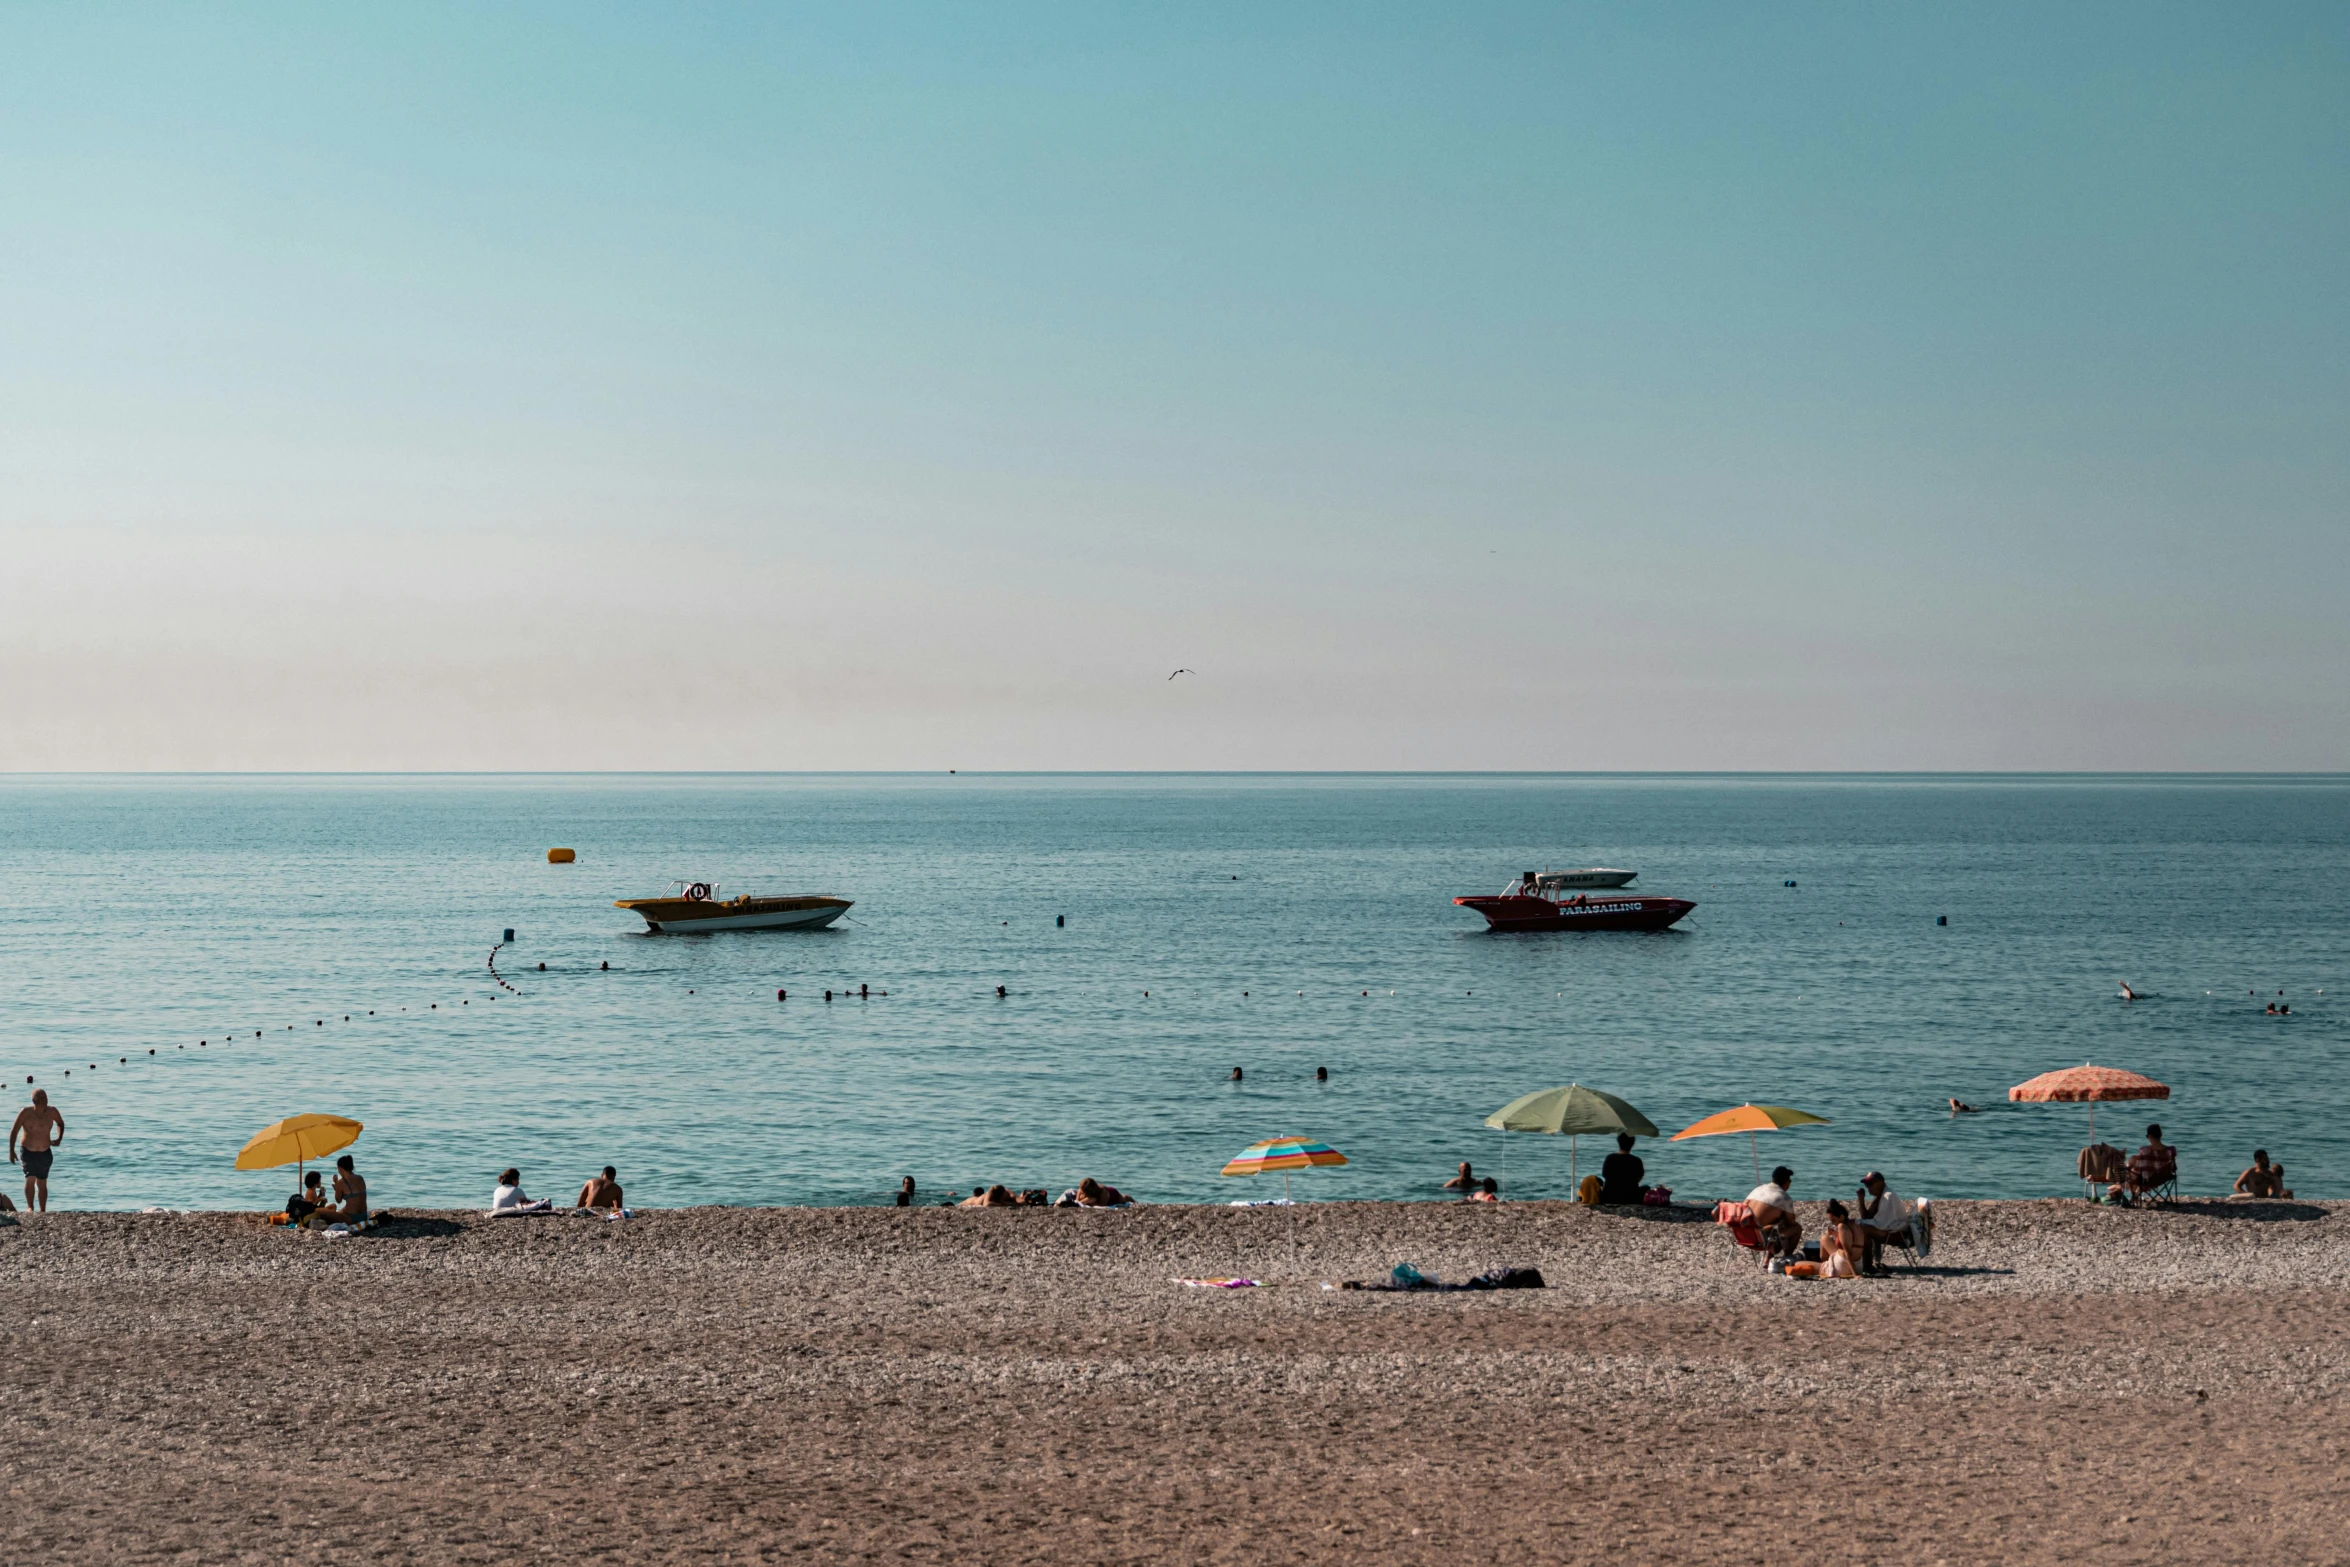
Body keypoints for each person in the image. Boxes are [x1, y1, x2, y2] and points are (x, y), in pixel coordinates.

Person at [10, 1089, 63, 1212]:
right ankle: (30, 1207)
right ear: (34, 1101)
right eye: (41, 1099)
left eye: (46, 1098)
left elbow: (60, 1123)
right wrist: (11, 1151)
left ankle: (43, 1209)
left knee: (42, 1182)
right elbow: (14, 1131)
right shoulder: (25, 1113)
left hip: (45, 1151)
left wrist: (59, 1138)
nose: (45, 1101)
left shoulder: (52, 1111)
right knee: (30, 1179)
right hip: (28, 1151)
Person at [1856, 1171, 1916, 1273]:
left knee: (1862, 1229)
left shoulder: (1888, 1196)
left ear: (1880, 1183)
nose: (1868, 1188)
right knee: (1861, 1227)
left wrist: (1858, 1223)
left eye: (1870, 1184)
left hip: (1897, 1234)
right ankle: (1866, 1264)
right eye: (1866, 1185)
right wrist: (1861, 1200)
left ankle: (1867, 1266)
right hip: (1889, 1230)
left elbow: (1880, 1224)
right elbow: (1867, 1217)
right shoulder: (1880, 1195)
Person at [1747, 1166, 1801, 1255]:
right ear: (1786, 1182)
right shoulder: (1784, 1197)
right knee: (1796, 1228)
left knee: (1775, 1223)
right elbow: (1791, 1222)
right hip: (1759, 1239)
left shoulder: (1758, 1189)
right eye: (1790, 1181)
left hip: (1743, 1235)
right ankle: (1787, 1258)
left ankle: (1768, 1259)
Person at [1818, 1199, 1863, 1279]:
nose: (1832, 1223)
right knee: (1825, 1238)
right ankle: (1825, 1264)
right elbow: (1853, 1242)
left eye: (1834, 1220)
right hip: (1858, 1264)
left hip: (1844, 1265)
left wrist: (1855, 1274)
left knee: (1823, 1238)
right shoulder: (1855, 1224)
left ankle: (1824, 1265)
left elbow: (1848, 1252)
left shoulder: (1841, 1226)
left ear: (1841, 1217)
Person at [2128, 1124, 2177, 1197]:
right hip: (2164, 1177)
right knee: (2134, 1161)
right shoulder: (2171, 1150)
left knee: (2130, 1168)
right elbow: (2173, 1167)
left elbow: (2141, 1169)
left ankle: (2132, 1191)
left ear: (2150, 1136)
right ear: (2160, 1135)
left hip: (2148, 1180)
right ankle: (2136, 1191)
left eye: (2147, 1137)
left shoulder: (2145, 1150)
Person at [1599, 1134, 1645, 1205]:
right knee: (1646, 1187)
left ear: (1618, 1142)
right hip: (1631, 1198)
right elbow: (1639, 1178)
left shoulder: (1610, 1158)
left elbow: (1604, 1175)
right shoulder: (1636, 1160)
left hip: (1609, 1196)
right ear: (1632, 1144)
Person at [491, 1168, 555, 1215]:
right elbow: (526, 1202)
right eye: (518, 1179)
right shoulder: (517, 1190)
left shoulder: (497, 1189)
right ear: (513, 1180)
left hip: (496, 1210)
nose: (519, 1182)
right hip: (508, 1210)